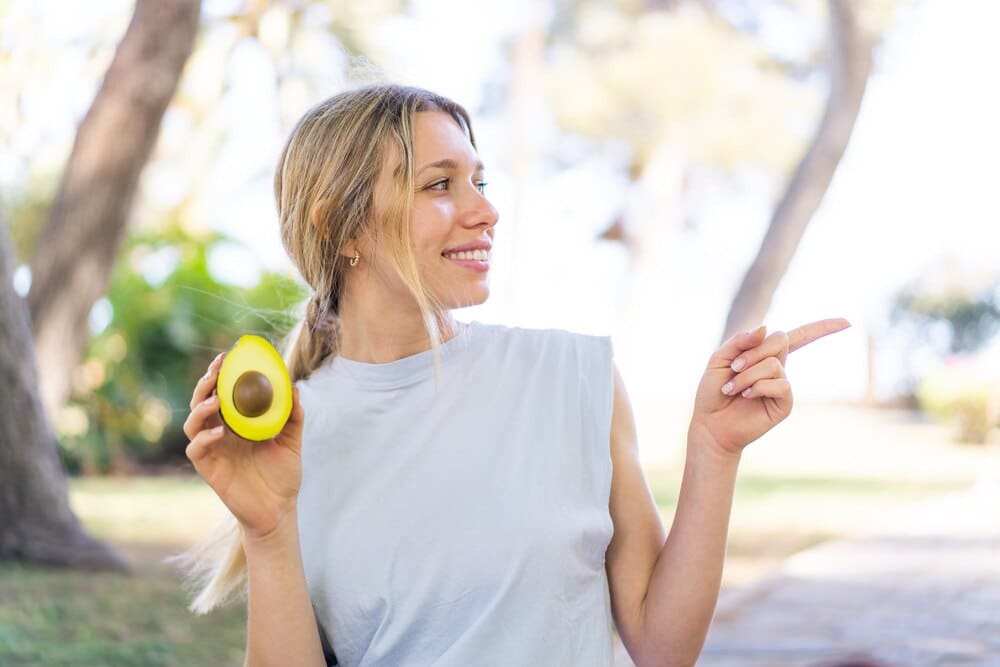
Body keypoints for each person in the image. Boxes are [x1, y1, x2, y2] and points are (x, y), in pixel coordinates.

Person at [172, 83, 850, 667]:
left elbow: (664, 645)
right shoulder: (288, 438)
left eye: (479, 180)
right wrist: (267, 531)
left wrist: (713, 449)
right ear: (342, 228)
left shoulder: (573, 378)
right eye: (440, 184)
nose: (485, 210)